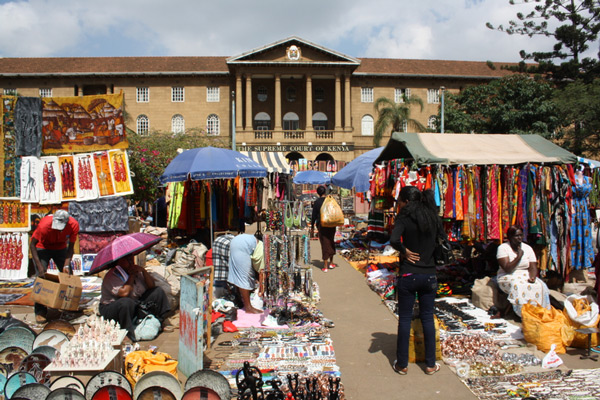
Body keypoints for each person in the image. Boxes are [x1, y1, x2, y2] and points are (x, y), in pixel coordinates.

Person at [389, 186, 441, 376]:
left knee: (404, 319)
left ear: (405, 201)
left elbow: (394, 239)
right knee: (427, 317)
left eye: (399, 201)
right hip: (429, 274)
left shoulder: (404, 217)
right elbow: (440, 240)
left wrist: (404, 251)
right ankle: (430, 365)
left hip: (409, 274)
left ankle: (402, 364)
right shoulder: (432, 216)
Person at [99, 254, 171, 341]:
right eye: (127, 259)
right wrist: (131, 276)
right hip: (114, 309)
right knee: (126, 302)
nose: (131, 262)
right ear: (119, 261)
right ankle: (127, 332)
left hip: (134, 304)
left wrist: (143, 271)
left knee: (157, 291)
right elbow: (124, 293)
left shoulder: (134, 271)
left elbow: (151, 286)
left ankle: (160, 321)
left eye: (131, 258)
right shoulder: (112, 275)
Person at [30, 210, 79, 324]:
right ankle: (40, 311)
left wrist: (66, 265)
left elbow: (70, 247)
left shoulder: (74, 225)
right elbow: (32, 245)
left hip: (60, 248)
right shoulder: (44, 225)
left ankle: (68, 306)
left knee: (68, 277)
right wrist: (39, 266)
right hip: (43, 247)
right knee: (41, 278)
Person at [496, 225, 550, 318]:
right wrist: (519, 256)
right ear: (510, 237)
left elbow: (533, 266)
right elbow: (507, 268)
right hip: (507, 276)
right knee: (518, 285)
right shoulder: (503, 248)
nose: (519, 238)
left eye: (521, 235)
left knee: (540, 285)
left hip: (525, 274)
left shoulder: (528, 248)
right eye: (516, 236)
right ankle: (522, 314)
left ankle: (538, 312)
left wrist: (532, 277)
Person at [226, 233, 265, 314]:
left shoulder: (262, 248)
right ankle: (248, 307)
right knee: (244, 276)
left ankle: (240, 300)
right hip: (243, 245)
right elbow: (262, 273)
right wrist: (261, 290)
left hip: (238, 242)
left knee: (238, 274)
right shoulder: (264, 257)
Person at [310, 186, 337, 272]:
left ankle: (325, 266)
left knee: (325, 243)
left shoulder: (317, 202)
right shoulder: (330, 200)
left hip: (322, 225)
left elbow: (314, 215)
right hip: (332, 224)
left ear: (318, 193)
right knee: (331, 241)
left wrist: (312, 227)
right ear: (325, 192)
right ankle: (331, 263)